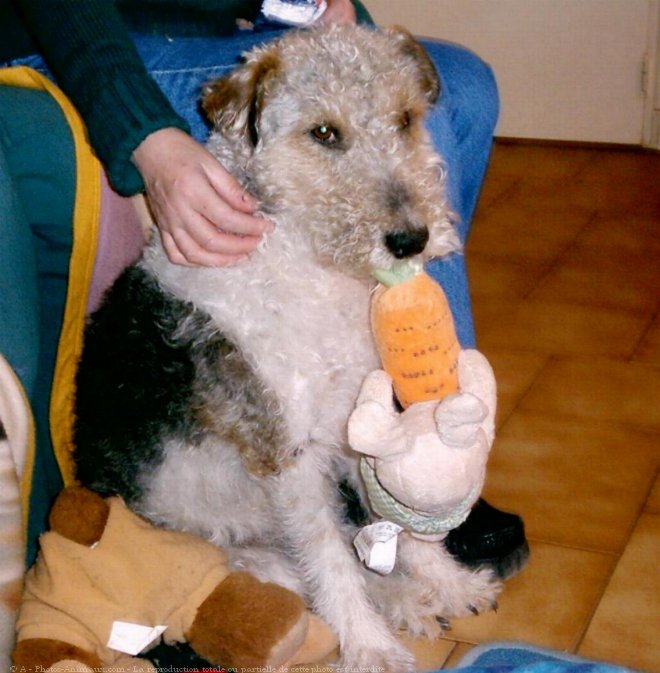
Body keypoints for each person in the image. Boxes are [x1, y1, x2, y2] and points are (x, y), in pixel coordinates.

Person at [0, 0, 526, 577]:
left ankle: (420, 452)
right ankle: (423, 471)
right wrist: (147, 135)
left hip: (223, 22)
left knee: (467, 86)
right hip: (81, 36)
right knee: (438, 115)